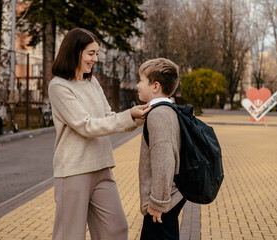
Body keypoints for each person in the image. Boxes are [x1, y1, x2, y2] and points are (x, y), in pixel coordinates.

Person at [48, 28, 149, 240]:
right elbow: (86, 126)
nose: (96, 58)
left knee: (116, 228)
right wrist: (128, 116)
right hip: (74, 171)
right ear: (75, 52)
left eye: (97, 53)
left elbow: (107, 116)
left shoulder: (92, 82)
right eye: (91, 53)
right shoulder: (59, 86)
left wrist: (137, 118)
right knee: (70, 235)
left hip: (102, 167)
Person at [136, 58, 186, 240]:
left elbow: (164, 160)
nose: (138, 85)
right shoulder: (169, 110)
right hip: (165, 200)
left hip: (161, 203)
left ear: (155, 86)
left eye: (141, 80)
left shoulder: (159, 115)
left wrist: (158, 202)